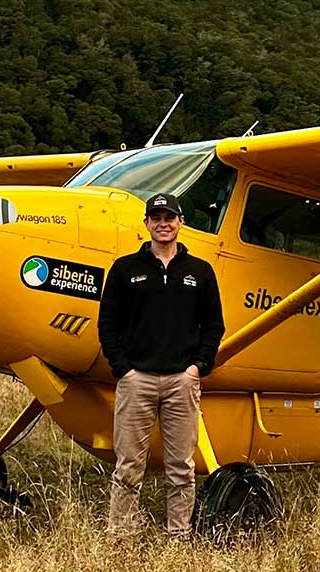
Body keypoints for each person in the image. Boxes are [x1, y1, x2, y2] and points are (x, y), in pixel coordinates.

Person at [98, 192, 225, 537]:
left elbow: (214, 325)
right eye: (156, 218)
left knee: (181, 466)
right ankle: (121, 535)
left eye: (170, 217)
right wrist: (123, 368)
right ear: (147, 224)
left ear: (181, 223)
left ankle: (178, 536)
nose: (163, 223)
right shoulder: (126, 269)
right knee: (128, 466)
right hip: (136, 380)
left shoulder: (200, 271)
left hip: (182, 381)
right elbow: (107, 322)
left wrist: (198, 367)